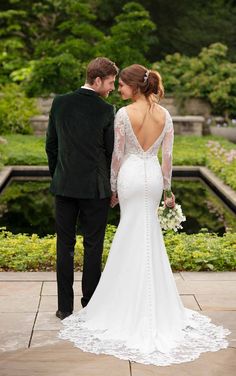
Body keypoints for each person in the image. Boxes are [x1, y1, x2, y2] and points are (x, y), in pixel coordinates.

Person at [58, 64, 229, 366]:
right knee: (148, 235)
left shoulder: (124, 115)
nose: (119, 89)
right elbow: (168, 157)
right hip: (152, 176)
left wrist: (112, 188)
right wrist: (166, 189)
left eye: (122, 85)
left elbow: (117, 156)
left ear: (134, 87)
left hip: (131, 176)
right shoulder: (165, 115)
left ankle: (124, 303)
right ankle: (155, 303)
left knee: (129, 232)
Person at [46, 57, 119, 320]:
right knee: (93, 247)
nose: (112, 88)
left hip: (64, 187)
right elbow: (110, 154)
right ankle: (90, 305)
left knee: (63, 246)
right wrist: (113, 187)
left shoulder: (60, 102)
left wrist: (60, 176)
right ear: (97, 80)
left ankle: (64, 308)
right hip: (95, 190)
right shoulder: (105, 110)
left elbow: (51, 147)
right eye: (110, 83)